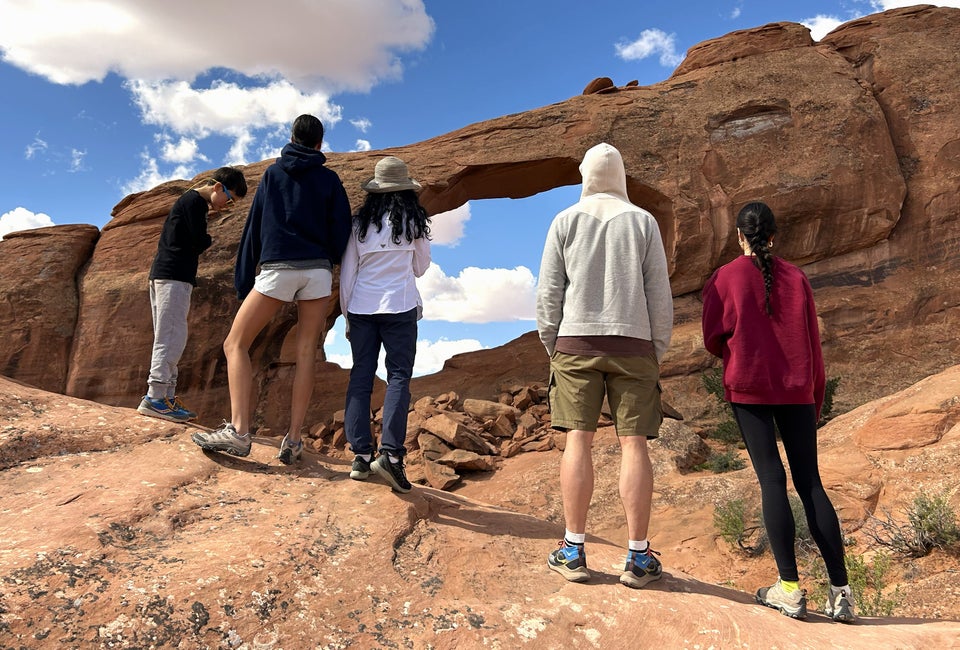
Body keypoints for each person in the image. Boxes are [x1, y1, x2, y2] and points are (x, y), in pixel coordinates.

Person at [701, 201, 855, 623]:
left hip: (750, 388)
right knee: (811, 484)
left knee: (772, 479)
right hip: (797, 390)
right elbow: (812, 342)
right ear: (773, 236)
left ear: (739, 236)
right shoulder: (798, 279)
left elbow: (712, 336)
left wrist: (737, 351)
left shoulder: (726, 278)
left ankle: (788, 589)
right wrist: (814, 395)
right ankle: (841, 593)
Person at [536, 142, 673, 588]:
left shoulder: (565, 221)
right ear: (621, 175)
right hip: (634, 343)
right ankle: (637, 558)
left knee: (580, 439)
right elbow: (659, 292)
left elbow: (549, 291)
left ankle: (573, 549)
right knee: (635, 445)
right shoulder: (643, 222)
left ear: (586, 175)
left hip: (575, 342)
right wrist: (657, 347)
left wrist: (552, 344)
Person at [191, 114, 351, 464]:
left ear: (292, 138)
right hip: (317, 273)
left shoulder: (274, 175)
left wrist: (243, 281)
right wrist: (329, 259)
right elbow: (342, 229)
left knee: (235, 343)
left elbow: (255, 228)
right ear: (320, 144)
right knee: (307, 351)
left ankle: (239, 431)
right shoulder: (330, 179)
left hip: (278, 269)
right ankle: (294, 440)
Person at [340, 156, 431, 493]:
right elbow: (421, 267)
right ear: (406, 190)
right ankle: (391, 457)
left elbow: (349, 272)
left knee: (361, 375)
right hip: (400, 305)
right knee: (397, 377)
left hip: (362, 306)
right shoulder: (414, 224)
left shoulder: (359, 224)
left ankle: (361, 457)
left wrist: (347, 315)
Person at [138, 167, 248, 422]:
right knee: (172, 335)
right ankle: (155, 397)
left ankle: (166, 396)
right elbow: (199, 242)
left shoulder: (189, 201)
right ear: (218, 187)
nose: (227, 206)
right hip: (174, 275)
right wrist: (208, 239)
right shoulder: (196, 203)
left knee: (170, 334)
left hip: (166, 273)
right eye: (229, 199)